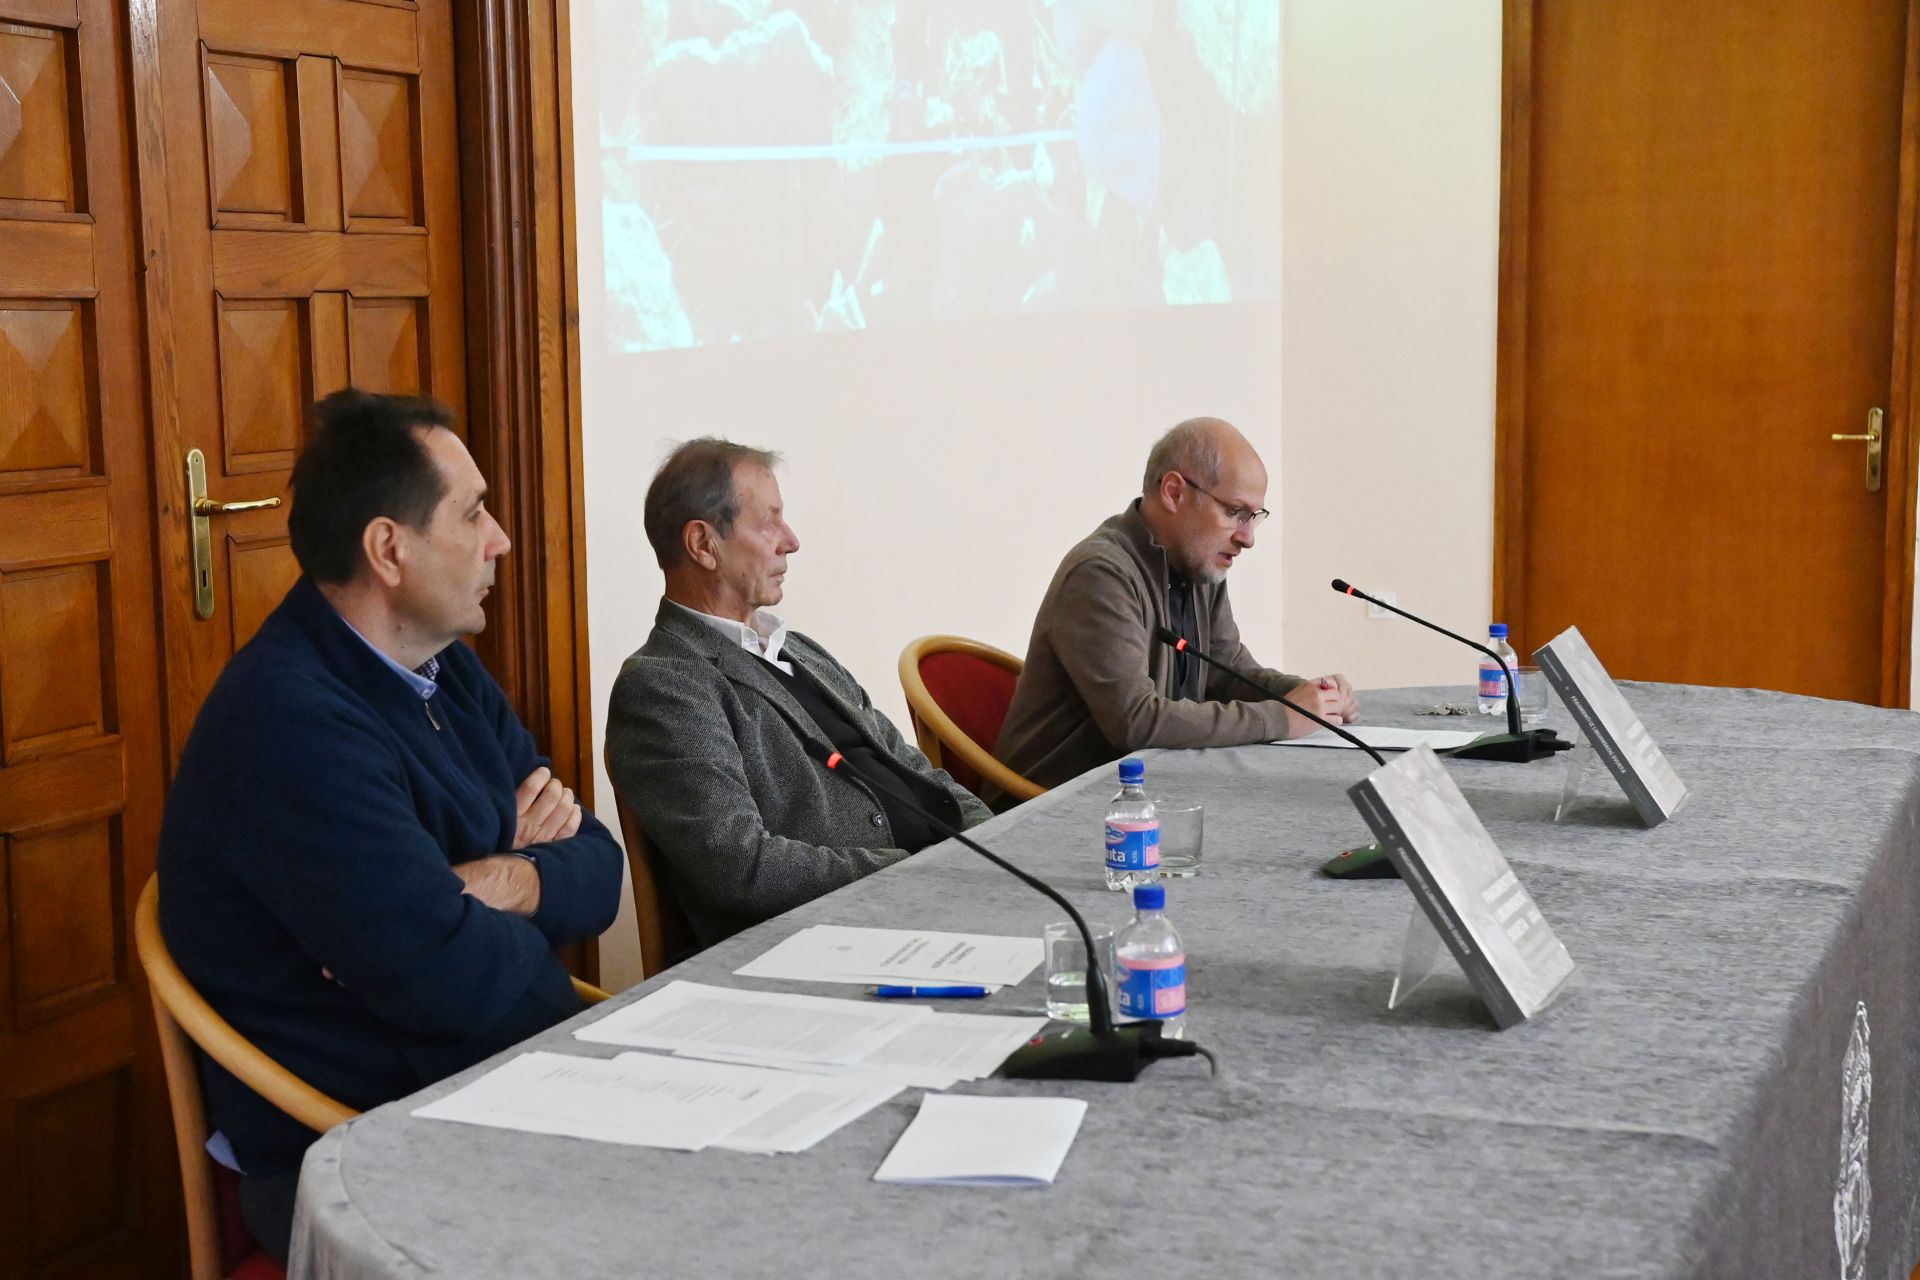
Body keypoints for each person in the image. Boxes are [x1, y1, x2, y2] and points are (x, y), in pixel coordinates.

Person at [157, 390, 624, 1262]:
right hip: (353, 1148)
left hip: (487, 1089)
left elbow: (599, 870)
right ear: (388, 549)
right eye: (474, 513)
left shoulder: (443, 664)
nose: (500, 539)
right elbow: (446, 983)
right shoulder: (286, 721)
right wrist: (506, 897)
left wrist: (488, 882)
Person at [606, 439, 990, 946]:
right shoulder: (664, 685)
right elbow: (742, 867)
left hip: (948, 893)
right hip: (844, 934)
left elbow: (909, 766)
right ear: (703, 544)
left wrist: (991, 838)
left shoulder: (800, 650)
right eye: (769, 523)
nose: (791, 541)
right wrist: (920, 869)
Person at [992, 416, 1357, 800]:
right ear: (1173, 492)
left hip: (1145, 793)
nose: (1248, 538)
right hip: (1049, 806)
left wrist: (1309, 695)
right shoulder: (1100, 574)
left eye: (1254, 517)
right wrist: (1282, 717)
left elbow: (1227, 672)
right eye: (1235, 512)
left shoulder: (1199, 564)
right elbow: (1136, 722)